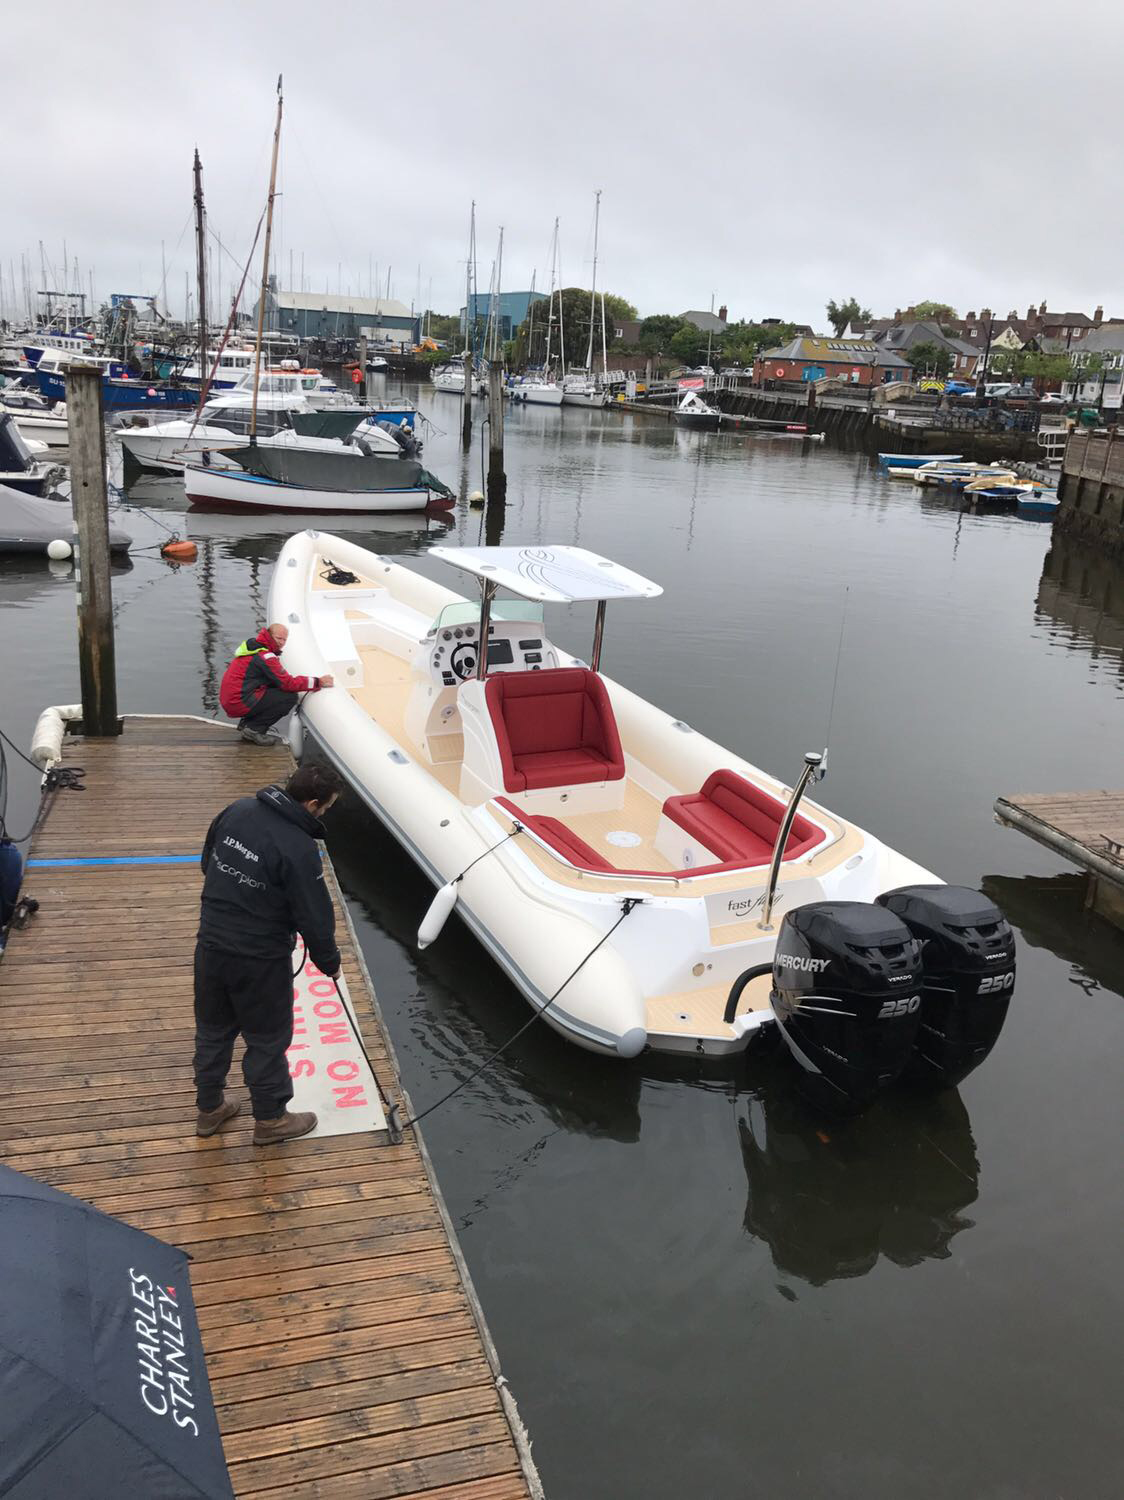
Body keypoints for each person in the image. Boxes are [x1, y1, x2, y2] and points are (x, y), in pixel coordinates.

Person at [192, 763, 345, 1146]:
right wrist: (329, 961)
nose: (325, 813)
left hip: (210, 944)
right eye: (326, 807)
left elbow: (207, 862)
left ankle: (209, 1109)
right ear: (312, 804)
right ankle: (271, 1119)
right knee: (266, 1039)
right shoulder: (299, 848)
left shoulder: (237, 810)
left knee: (213, 1031)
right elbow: (314, 914)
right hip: (259, 959)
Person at [219, 623, 333, 745]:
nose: (282, 642)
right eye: (279, 638)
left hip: (232, 699)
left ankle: (247, 724)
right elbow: (288, 683)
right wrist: (318, 682)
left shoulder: (253, 648)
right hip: (238, 702)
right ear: (269, 635)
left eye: (285, 639)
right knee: (289, 697)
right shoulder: (266, 656)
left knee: (275, 685)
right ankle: (254, 729)